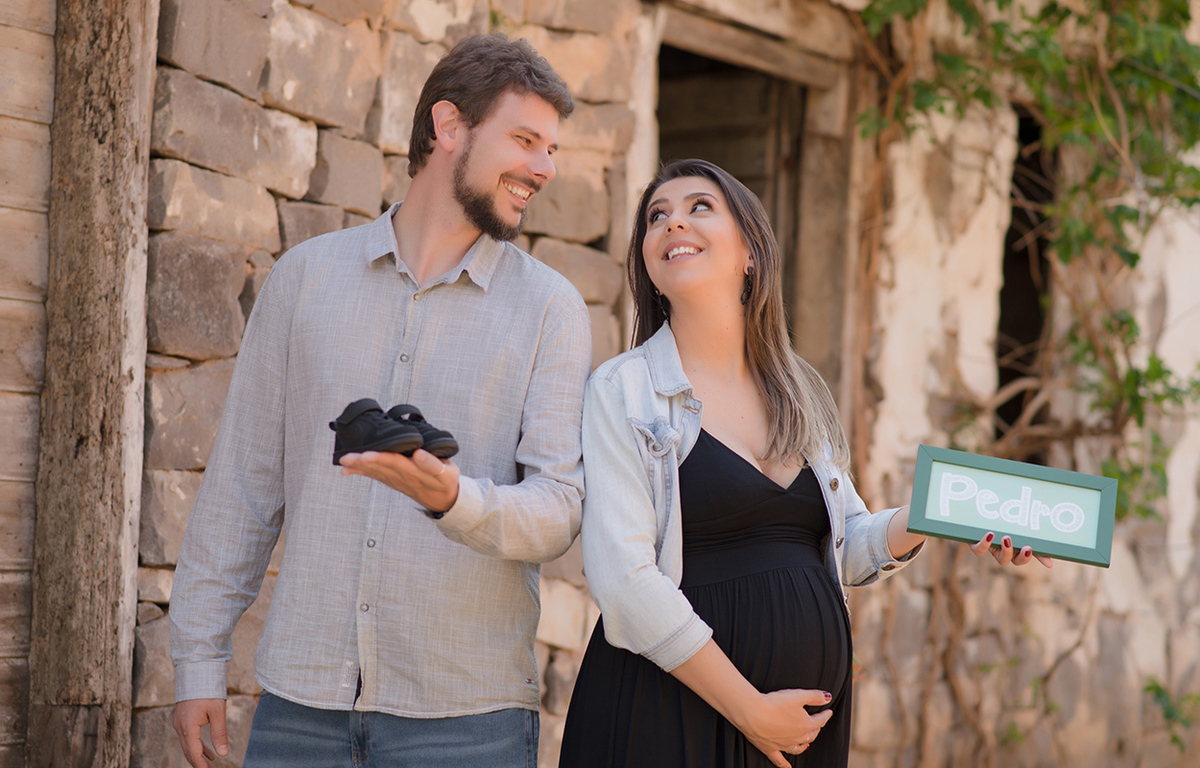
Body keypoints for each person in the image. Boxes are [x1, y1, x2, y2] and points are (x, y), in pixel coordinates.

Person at [170, 34, 591, 768]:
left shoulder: (551, 310)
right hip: (300, 711)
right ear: (449, 125)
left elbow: (558, 511)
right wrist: (198, 660)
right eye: (526, 140)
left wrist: (454, 499)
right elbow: (243, 483)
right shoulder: (304, 280)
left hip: (467, 722)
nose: (544, 169)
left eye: (551, 149)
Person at [558, 158, 1050, 768]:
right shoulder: (623, 391)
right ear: (650, 269)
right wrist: (748, 709)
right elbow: (624, 581)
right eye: (657, 216)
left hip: (797, 736)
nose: (672, 223)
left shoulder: (798, 392)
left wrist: (942, 514)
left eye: (699, 207)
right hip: (671, 714)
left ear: (751, 253)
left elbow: (847, 544)